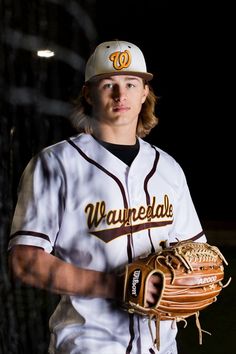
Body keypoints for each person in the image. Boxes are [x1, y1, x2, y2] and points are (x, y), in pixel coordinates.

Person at [8, 40, 206, 354]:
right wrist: (118, 287)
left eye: (131, 83)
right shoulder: (55, 164)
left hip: (163, 345)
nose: (120, 94)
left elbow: (196, 249)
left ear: (144, 93)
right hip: (90, 345)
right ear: (88, 94)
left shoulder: (168, 168)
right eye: (108, 84)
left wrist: (194, 278)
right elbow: (25, 261)